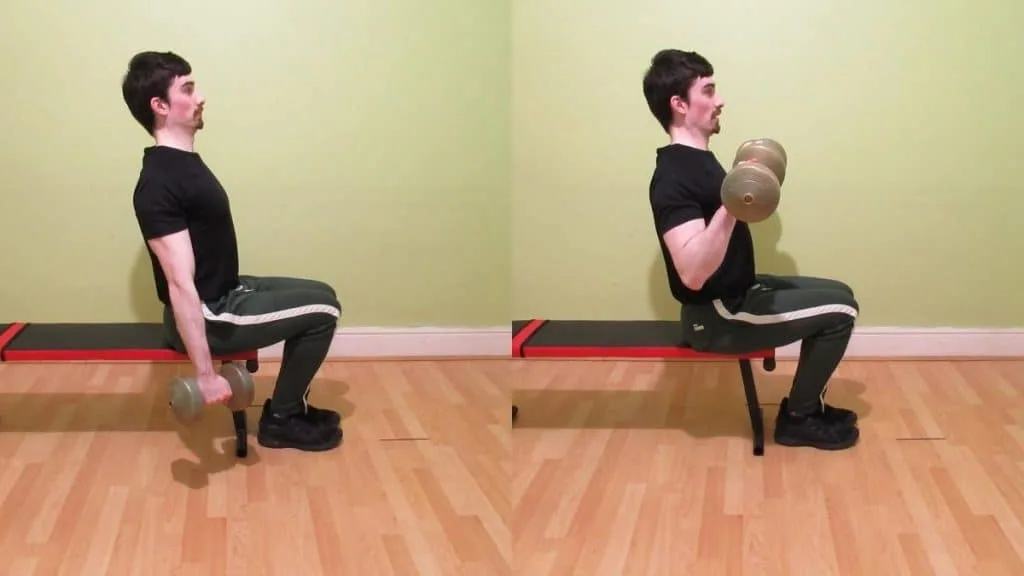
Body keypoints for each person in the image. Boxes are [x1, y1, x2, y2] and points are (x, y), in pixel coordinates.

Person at [122, 51, 343, 452]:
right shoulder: (157, 184)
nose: (201, 96)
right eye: (188, 89)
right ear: (160, 106)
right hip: (209, 314)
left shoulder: (182, 162)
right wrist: (205, 373)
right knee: (324, 314)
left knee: (324, 294)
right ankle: (282, 419)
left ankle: (295, 406)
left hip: (228, 290)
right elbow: (179, 283)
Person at [643, 49, 861, 451]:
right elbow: (692, 272)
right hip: (716, 315)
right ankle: (799, 417)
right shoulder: (672, 177)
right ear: (679, 104)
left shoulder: (699, 160)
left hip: (740, 290)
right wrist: (731, 205)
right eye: (708, 91)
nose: (720, 100)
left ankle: (809, 405)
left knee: (841, 293)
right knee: (841, 314)